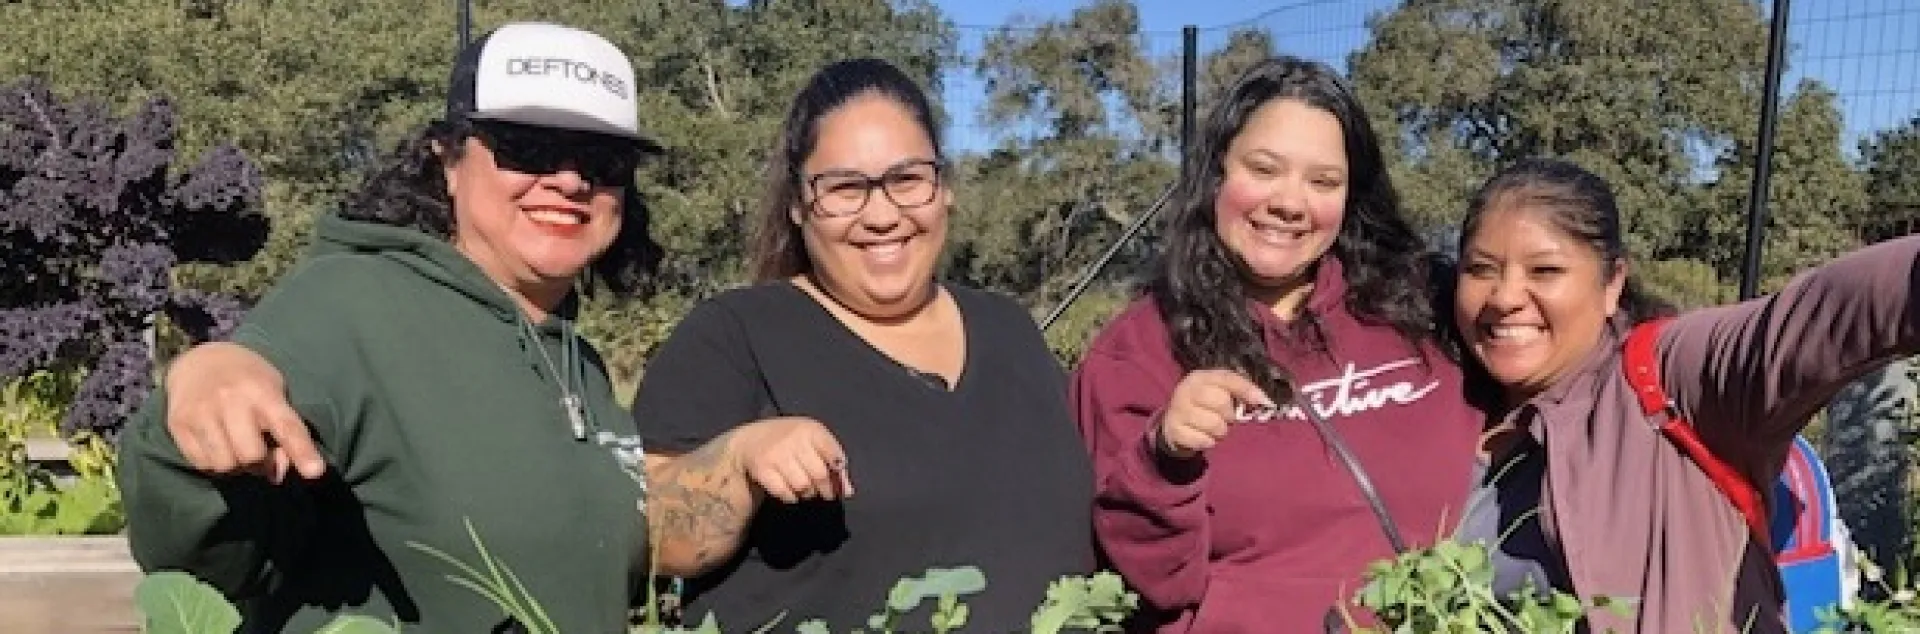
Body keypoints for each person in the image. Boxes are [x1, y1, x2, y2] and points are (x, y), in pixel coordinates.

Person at [115, 22, 665, 632]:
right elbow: (206, 553)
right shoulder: (348, 302)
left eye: (603, 159)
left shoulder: (579, 361)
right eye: (525, 149)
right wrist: (203, 381)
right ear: (448, 160)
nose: (570, 181)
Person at [631, 57, 1096, 631]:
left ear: (943, 188)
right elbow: (650, 537)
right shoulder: (735, 334)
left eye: (906, 180)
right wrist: (739, 460)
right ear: (799, 205)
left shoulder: (1010, 329)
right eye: (845, 188)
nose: (882, 214)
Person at [1068, 56, 1485, 633]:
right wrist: (1165, 456)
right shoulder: (1137, 351)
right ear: (1216, 174)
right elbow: (1154, 581)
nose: (1290, 203)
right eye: (1264, 169)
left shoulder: (1425, 310)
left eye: (1323, 182)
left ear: (1351, 197)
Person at [1445, 156, 1920, 633]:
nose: (1504, 297)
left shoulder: (1671, 377)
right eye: (1480, 269)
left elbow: (1830, 311)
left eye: (1544, 270)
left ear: (1612, 283)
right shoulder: (1434, 398)